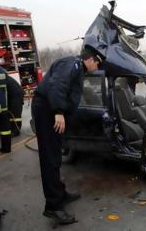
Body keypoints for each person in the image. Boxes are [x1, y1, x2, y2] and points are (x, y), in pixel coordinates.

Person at [31, 47, 105, 224]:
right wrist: (58, 111)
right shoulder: (72, 63)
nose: (98, 66)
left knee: (55, 156)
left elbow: (73, 93)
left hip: (51, 111)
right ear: (90, 59)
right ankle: (54, 207)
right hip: (47, 111)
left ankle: (59, 193)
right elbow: (57, 85)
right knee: (50, 158)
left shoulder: (79, 69)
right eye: (98, 62)